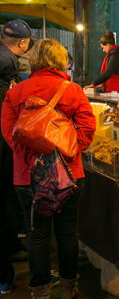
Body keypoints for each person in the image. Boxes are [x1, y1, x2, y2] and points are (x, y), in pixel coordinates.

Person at [1, 39, 96, 299]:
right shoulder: (72, 90)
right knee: (67, 231)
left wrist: (32, 152)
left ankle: (39, 290)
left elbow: (10, 135)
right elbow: (87, 130)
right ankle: (68, 286)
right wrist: (68, 150)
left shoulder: (15, 93)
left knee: (37, 234)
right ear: (60, 60)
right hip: (69, 174)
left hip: (27, 175)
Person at [0, 19, 32, 296]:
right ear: (23, 43)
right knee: (5, 194)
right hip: (2, 140)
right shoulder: (8, 63)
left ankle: (11, 246)